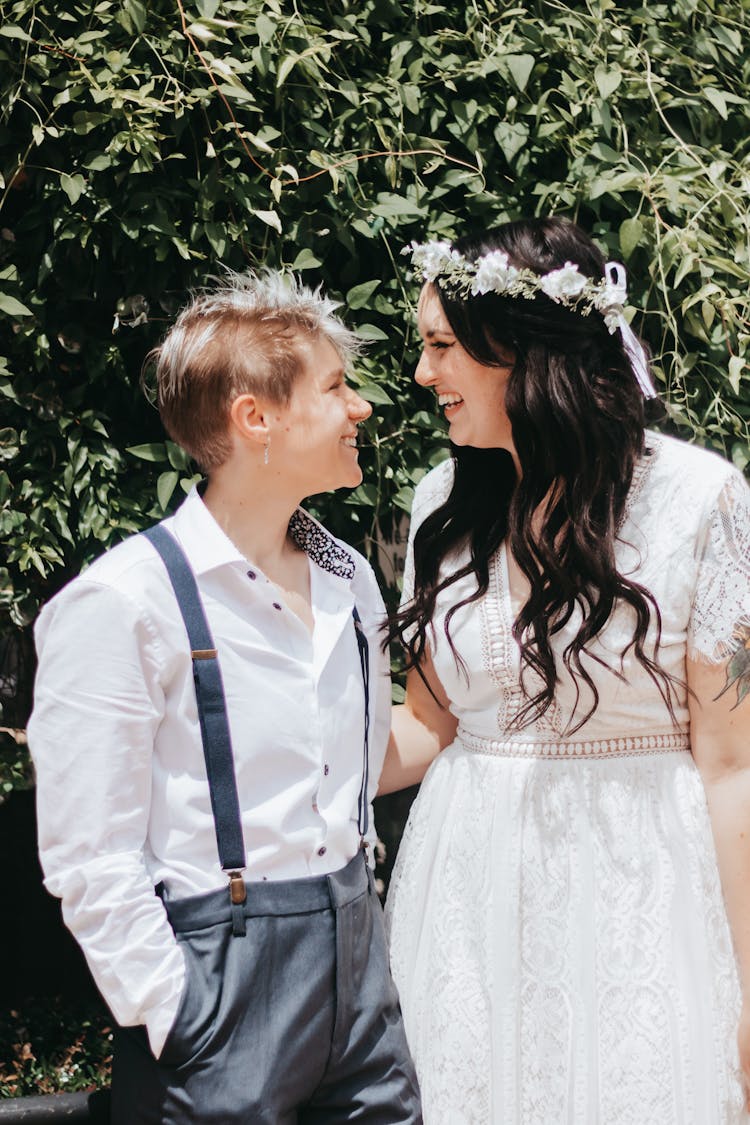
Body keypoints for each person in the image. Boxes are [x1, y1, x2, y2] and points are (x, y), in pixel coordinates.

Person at [28, 271, 422, 1124]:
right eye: (334, 386)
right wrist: (178, 1011)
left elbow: (358, 764)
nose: (359, 407)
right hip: (221, 986)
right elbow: (88, 855)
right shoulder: (125, 602)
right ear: (257, 419)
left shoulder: (350, 577)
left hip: (358, 968)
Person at [380, 217, 750, 1124]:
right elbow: (427, 723)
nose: (423, 375)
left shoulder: (701, 498)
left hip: (641, 892)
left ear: (520, 351)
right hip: (466, 898)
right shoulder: (443, 499)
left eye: (440, 346)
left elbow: (733, 764)